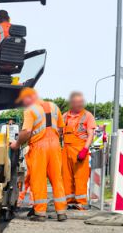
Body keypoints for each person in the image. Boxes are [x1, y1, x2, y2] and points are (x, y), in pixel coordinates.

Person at [9, 87, 66, 222]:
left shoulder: (30, 111)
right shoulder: (54, 106)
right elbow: (60, 128)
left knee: (38, 179)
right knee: (57, 178)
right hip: (55, 146)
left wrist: (17, 144)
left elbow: (27, 131)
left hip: (39, 147)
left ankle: (40, 213)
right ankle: (61, 212)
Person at [60, 91, 97, 210]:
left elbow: (90, 134)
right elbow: (59, 132)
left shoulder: (87, 115)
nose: (78, 104)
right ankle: (68, 200)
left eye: (80, 102)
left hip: (79, 149)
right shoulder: (65, 116)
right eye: (76, 102)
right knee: (66, 176)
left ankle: (81, 201)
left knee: (80, 177)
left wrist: (85, 149)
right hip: (65, 149)